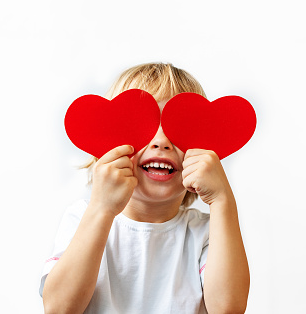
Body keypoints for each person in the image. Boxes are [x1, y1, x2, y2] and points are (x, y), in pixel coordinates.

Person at [40, 63, 250, 314]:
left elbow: (228, 308)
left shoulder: (205, 233)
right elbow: (59, 309)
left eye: (179, 126)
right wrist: (102, 209)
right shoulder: (82, 217)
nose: (161, 142)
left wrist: (222, 200)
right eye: (142, 124)